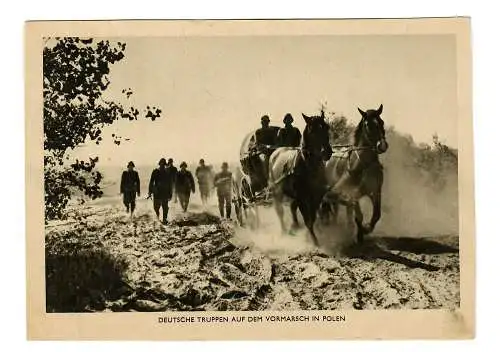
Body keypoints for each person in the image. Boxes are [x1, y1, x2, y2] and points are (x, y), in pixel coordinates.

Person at [148, 158, 176, 224]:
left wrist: (170, 193)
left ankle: (164, 219)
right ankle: (157, 217)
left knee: (165, 207)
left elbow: (170, 183)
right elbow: (151, 182)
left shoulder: (167, 173)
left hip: (165, 192)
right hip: (157, 192)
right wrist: (150, 191)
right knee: (156, 207)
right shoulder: (155, 171)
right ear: (159, 164)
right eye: (161, 164)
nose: (162, 165)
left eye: (163, 164)